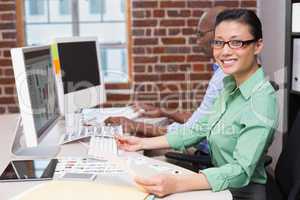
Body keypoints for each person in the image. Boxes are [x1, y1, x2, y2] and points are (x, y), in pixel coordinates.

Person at [115, 9, 278, 200]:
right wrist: (141, 143)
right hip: (219, 186)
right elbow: (198, 129)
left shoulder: (261, 99)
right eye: (219, 42)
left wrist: (177, 184)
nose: (225, 51)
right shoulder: (230, 85)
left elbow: (241, 171)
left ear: (257, 45)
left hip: (240, 194)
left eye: (236, 42)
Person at [105, 7, 226, 141]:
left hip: (207, 154)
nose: (197, 41)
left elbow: (191, 133)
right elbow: (202, 119)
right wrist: (165, 112)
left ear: (218, 34)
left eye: (200, 34)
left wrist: (135, 125)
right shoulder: (221, 71)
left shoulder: (223, 76)